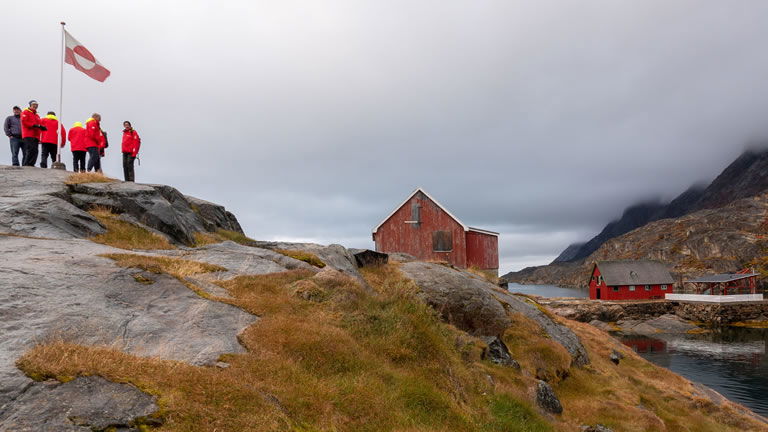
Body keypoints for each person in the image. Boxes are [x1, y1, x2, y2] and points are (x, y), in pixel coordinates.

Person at [20, 100, 45, 166]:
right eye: (34, 104)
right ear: (30, 105)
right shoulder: (25, 112)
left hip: (36, 135)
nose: (35, 106)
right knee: (30, 149)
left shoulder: (37, 115)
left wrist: (41, 127)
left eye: (36, 105)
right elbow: (24, 122)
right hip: (28, 134)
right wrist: (34, 125)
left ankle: (31, 164)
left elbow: (39, 125)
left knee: (35, 150)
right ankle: (26, 164)